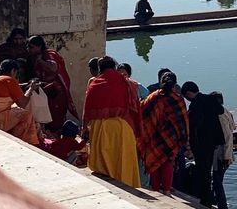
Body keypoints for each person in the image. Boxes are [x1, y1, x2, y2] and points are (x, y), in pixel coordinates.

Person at [83, 56, 141, 188]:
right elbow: (135, 108)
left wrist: (84, 129)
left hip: (100, 127)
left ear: (100, 69)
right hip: (123, 127)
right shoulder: (128, 83)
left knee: (104, 162)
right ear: (114, 68)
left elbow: (87, 110)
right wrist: (137, 129)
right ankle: (127, 185)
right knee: (123, 159)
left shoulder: (94, 84)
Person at [141, 72, 189, 196]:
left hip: (153, 136)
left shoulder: (153, 97)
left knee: (154, 162)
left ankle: (156, 190)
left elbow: (143, 113)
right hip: (171, 138)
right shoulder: (178, 99)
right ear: (174, 84)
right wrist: (184, 139)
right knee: (168, 162)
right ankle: (167, 191)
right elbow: (183, 121)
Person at [181, 81, 224, 207]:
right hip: (214, 142)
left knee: (203, 172)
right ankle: (209, 198)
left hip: (201, 144)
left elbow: (194, 125)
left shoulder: (195, 106)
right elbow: (220, 110)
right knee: (209, 171)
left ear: (189, 93)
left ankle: (206, 200)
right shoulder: (210, 99)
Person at [0, 59, 40, 145]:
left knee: (14, 108)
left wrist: (25, 85)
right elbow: (22, 103)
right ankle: (20, 144)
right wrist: (31, 89)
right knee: (25, 114)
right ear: (13, 71)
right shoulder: (8, 80)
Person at [26, 36, 78, 131]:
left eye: (31, 47)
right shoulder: (33, 57)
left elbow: (53, 68)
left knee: (55, 119)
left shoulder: (49, 54)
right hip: (45, 91)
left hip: (55, 92)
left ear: (39, 46)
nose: (28, 49)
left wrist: (41, 61)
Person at [211, 92, 235, 209]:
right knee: (217, 180)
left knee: (217, 181)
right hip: (226, 153)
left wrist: (226, 156)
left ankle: (222, 205)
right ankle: (216, 200)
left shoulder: (220, 117)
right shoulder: (226, 112)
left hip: (222, 155)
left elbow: (227, 137)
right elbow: (233, 128)